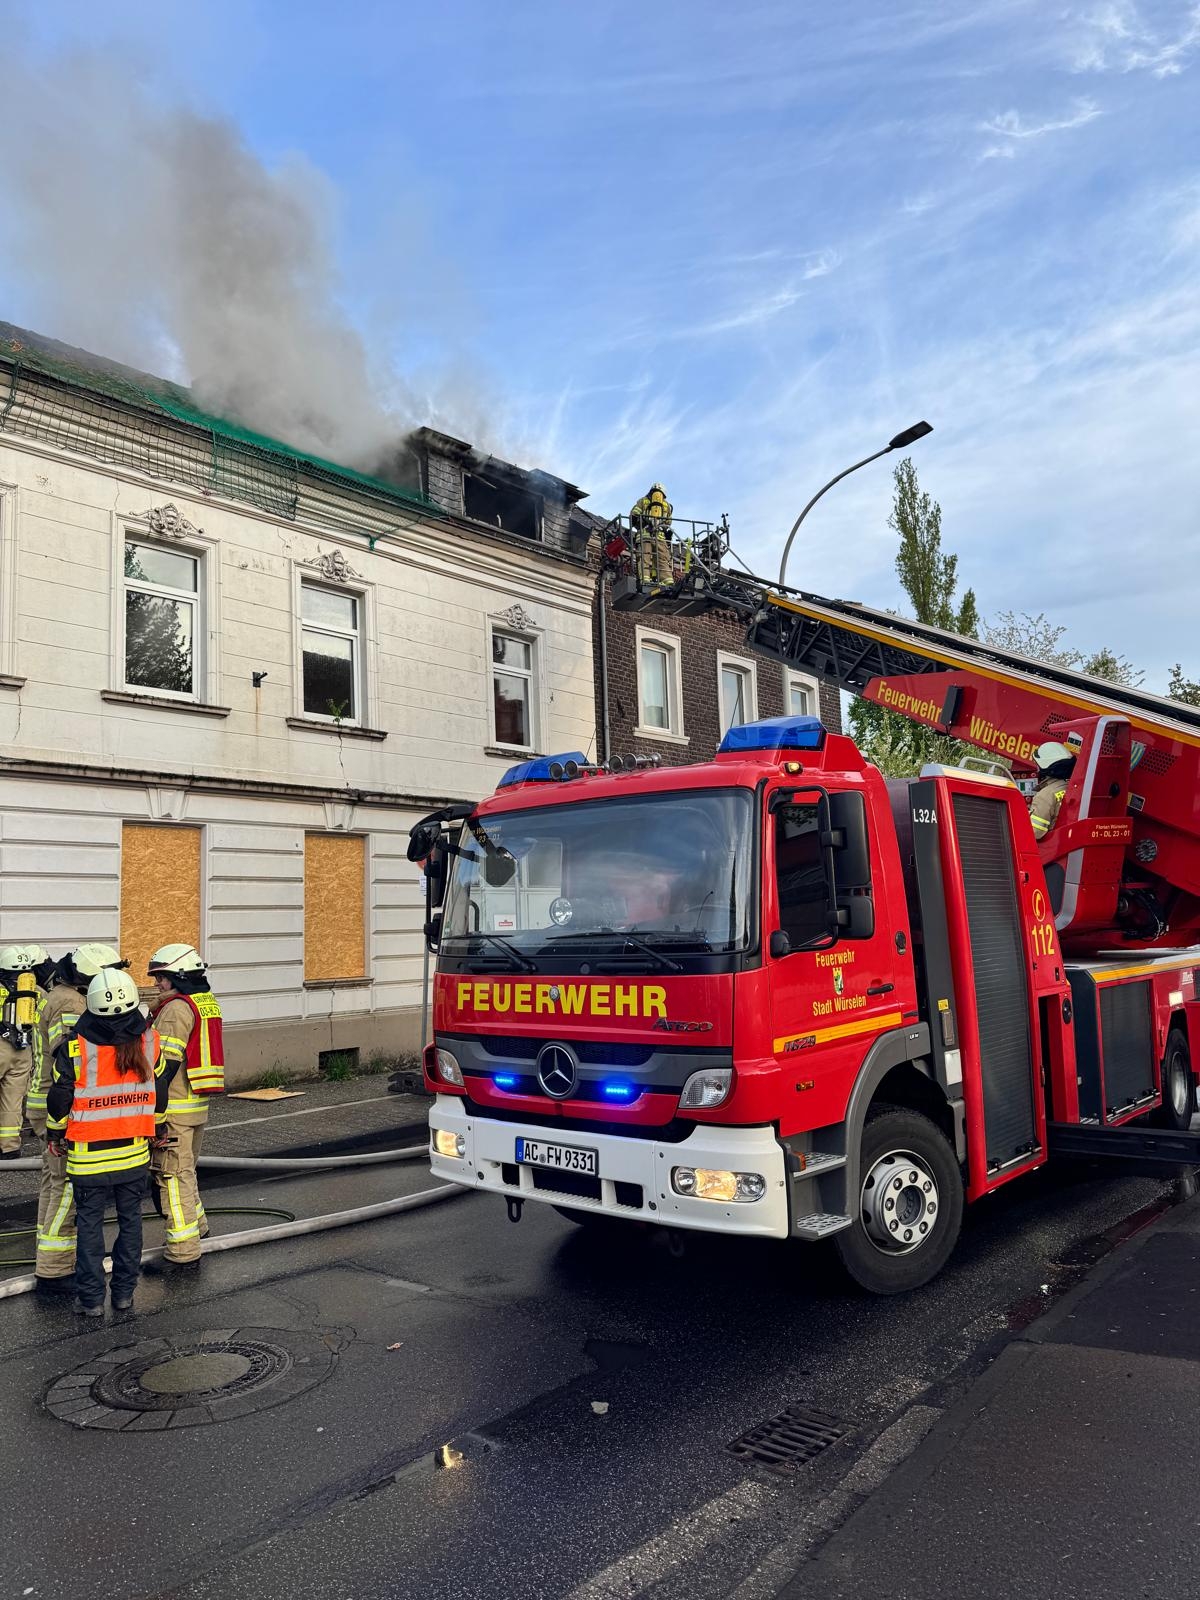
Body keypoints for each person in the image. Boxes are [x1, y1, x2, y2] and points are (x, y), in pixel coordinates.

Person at [45, 968, 166, 1316]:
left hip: (88, 1157)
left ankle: (91, 1301)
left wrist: (55, 1133)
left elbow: (60, 1098)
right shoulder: (149, 1041)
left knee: (89, 1227)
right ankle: (124, 1295)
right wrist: (158, 1129)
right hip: (133, 1154)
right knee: (131, 1223)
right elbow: (158, 1094)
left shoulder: (76, 1047)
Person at [29, 942, 126, 1295]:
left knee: (53, 1181)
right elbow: (71, 1060)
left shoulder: (60, 994)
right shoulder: (71, 1003)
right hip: (61, 1105)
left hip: (46, 1101)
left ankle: (48, 1252)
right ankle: (54, 1269)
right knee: (69, 1185)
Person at [144, 944, 224, 1274]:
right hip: (194, 1104)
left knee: (172, 1178)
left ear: (178, 976)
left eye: (162, 977)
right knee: (186, 1172)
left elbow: (163, 1067)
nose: (157, 983)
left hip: (173, 1107)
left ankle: (182, 1253)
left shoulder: (176, 1010)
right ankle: (198, 1229)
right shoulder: (203, 1001)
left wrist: (155, 1116)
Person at [0, 946, 38, 1159]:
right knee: (12, 1101)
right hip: (23, 1049)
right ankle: (9, 1147)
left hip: (1, 1046)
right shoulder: (34, 990)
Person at [1029, 742, 1077, 842]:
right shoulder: (1074, 788)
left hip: (1052, 847)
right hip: (1069, 840)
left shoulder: (1045, 796)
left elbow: (1034, 833)